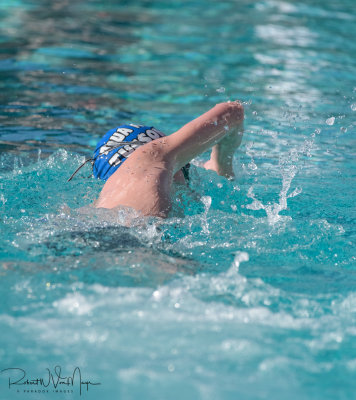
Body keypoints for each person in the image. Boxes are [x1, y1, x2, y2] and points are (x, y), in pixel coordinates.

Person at [73, 101, 244, 218]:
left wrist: (218, 164)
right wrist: (223, 157)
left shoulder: (108, 200)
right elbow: (232, 112)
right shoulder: (149, 159)